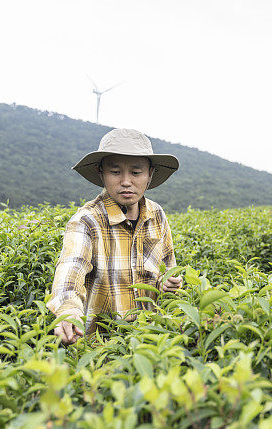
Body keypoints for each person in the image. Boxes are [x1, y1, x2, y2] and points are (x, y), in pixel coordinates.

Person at [47, 128, 183, 344]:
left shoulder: (157, 215)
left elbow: (167, 270)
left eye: (136, 173)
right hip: (102, 348)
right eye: (115, 172)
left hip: (151, 343)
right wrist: (69, 311)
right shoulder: (87, 221)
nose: (126, 181)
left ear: (150, 176)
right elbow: (70, 272)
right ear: (101, 173)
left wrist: (168, 284)